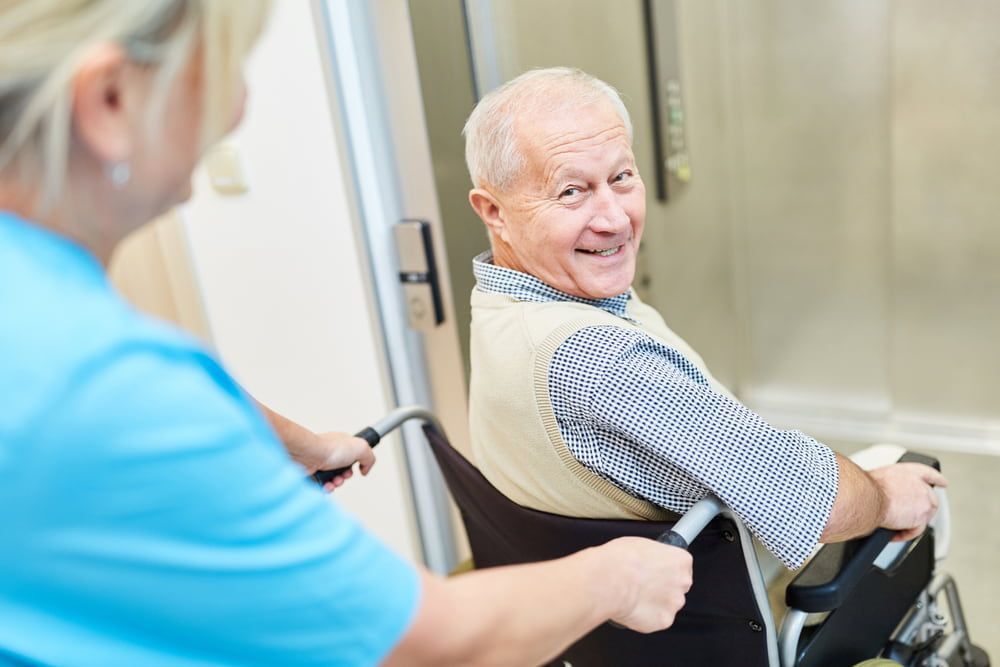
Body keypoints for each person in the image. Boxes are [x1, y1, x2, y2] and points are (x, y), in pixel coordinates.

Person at [0, 4, 693, 666]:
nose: (237, 108)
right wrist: (617, 577)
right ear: (110, 101)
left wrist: (297, 442)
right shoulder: (98, 381)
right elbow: (427, 642)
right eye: (222, 73)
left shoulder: (44, 317)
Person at [462, 67, 946, 570]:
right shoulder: (597, 360)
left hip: (592, 622)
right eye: (571, 192)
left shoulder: (500, 306)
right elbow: (811, 501)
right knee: (893, 474)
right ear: (493, 212)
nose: (615, 218)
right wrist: (887, 497)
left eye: (621, 177)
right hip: (709, 613)